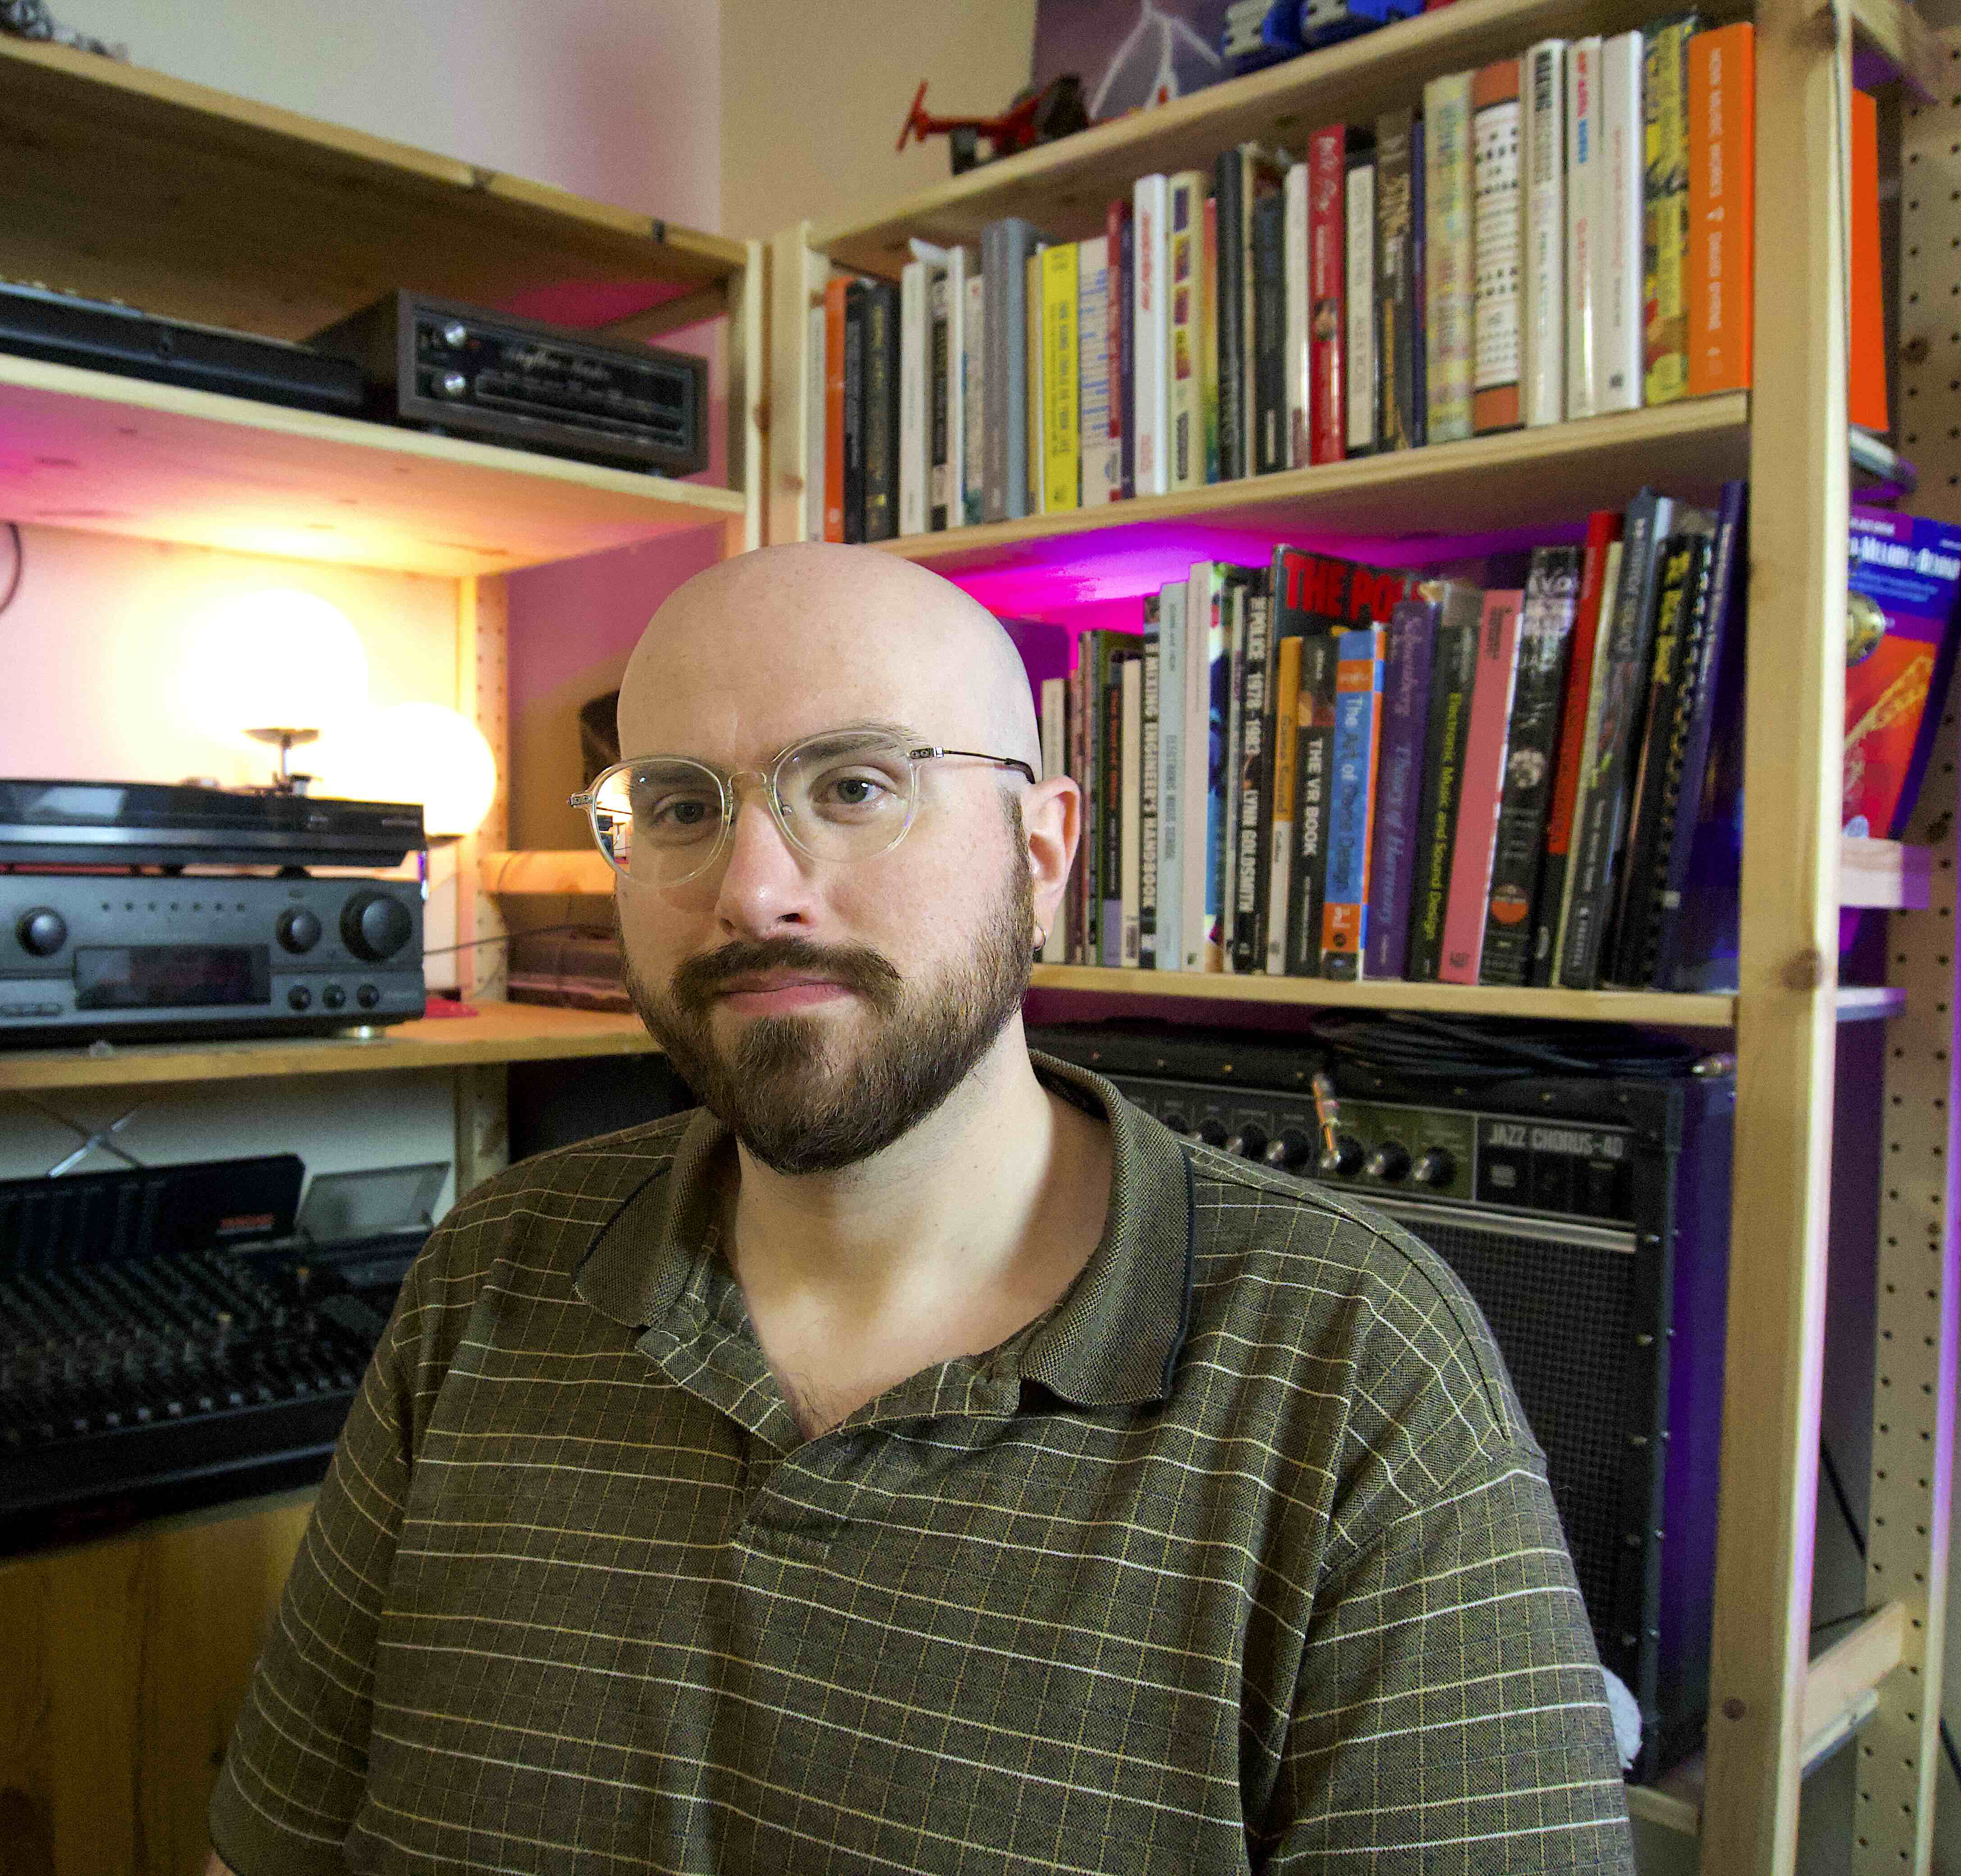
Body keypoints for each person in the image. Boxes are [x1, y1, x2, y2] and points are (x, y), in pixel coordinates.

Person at [206, 544, 1634, 1874]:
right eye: (685, 807)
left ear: (1045, 850)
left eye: (857, 785)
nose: (755, 891)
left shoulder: (1354, 1364)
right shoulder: (491, 1273)